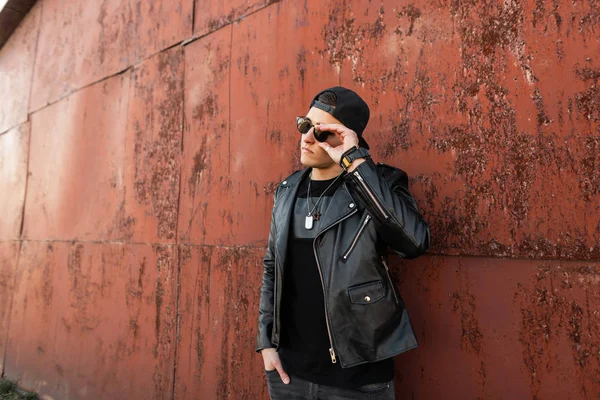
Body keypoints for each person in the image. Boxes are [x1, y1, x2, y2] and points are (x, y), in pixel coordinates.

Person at [256, 86, 430, 399]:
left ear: (347, 137)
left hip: (357, 379)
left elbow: (413, 243)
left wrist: (354, 162)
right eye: (305, 126)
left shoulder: (380, 183)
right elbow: (272, 268)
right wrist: (267, 343)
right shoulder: (287, 190)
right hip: (289, 375)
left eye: (321, 133)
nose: (307, 138)